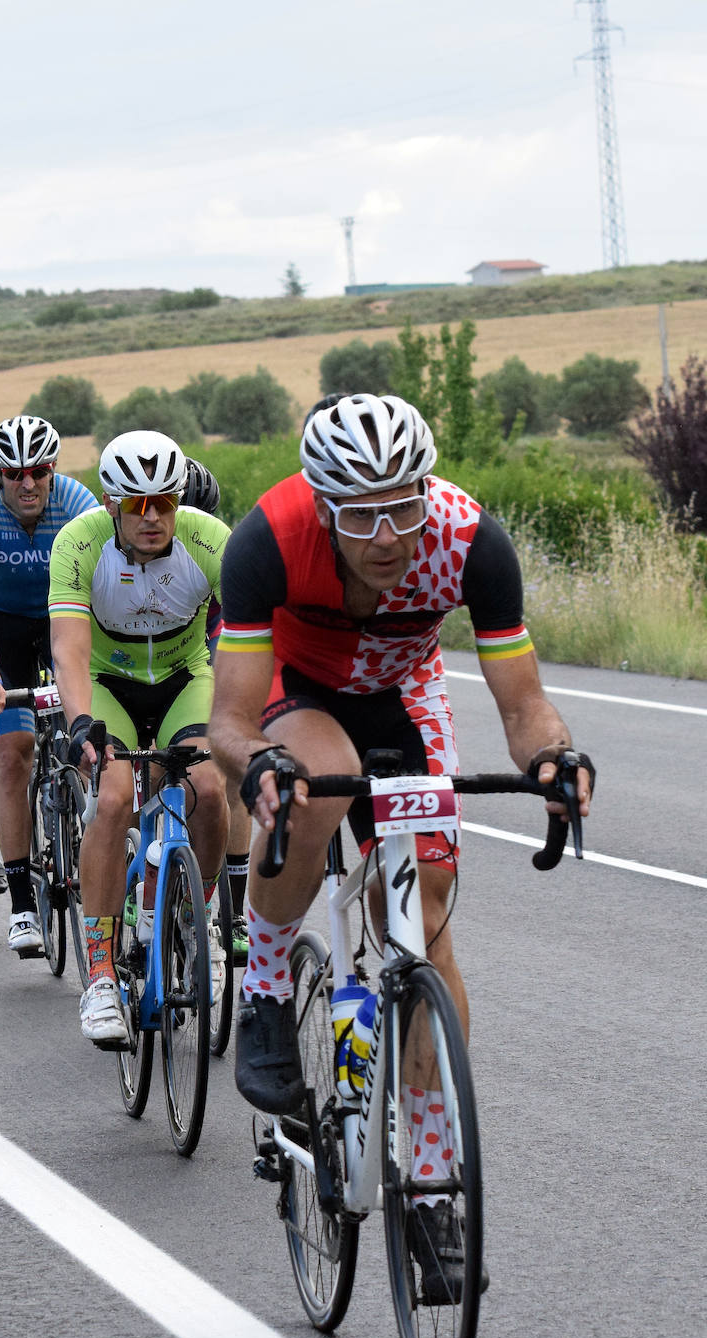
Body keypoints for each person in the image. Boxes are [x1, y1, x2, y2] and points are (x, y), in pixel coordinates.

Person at [208, 393, 595, 1292]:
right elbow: (227, 717)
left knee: (422, 915)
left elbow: (523, 705)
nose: (389, 534)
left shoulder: (468, 539)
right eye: (361, 512)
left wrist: (552, 758)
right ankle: (263, 982)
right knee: (311, 782)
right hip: (295, 691)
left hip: (402, 690)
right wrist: (257, 763)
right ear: (321, 502)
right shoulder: (266, 537)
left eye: (404, 503)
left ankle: (428, 1182)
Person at [49, 431, 231, 1045]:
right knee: (111, 799)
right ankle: (100, 976)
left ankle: (200, 917)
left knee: (209, 782)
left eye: (164, 502)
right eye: (136, 504)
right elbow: (69, 651)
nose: (151, 517)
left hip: (185, 678)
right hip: (108, 682)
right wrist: (79, 724)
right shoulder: (78, 544)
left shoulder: (209, 541)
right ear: (110, 505)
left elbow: (252, 637)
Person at [0, 414, 99, 956]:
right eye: (14, 473)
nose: (28, 483)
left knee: (90, 742)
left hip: (65, 622)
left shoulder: (78, 502)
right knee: (12, 753)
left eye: (38, 470)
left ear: (53, 468)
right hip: (5, 630)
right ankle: (20, 904)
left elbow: (102, 591)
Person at [182, 455, 249, 962]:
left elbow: (238, 635)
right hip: (155, 669)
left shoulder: (221, 556)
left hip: (207, 662)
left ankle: (235, 911)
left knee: (235, 778)